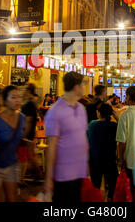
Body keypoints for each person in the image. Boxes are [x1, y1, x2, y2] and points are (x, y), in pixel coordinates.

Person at [44, 72, 88, 203]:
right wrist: (48, 178)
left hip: (79, 172)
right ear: (76, 87)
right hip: (63, 174)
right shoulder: (55, 111)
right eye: (83, 84)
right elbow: (51, 148)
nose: (84, 88)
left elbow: (82, 138)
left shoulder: (81, 108)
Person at [116, 85, 135, 201]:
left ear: (127, 97)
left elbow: (122, 142)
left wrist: (121, 159)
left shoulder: (125, 116)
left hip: (131, 159)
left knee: (133, 188)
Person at [88, 103, 118, 201]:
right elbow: (123, 128)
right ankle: (110, 198)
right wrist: (116, 115)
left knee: (95, 185)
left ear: (99, 113)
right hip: (110, 160)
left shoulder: (92, 125)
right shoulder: (114, 126)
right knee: (112, 184)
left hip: (95, 160)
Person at [20, 83, 42, 185]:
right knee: (29, 155)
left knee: (29, 155)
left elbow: (28, 121)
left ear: (28, 91)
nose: (23, 91)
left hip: (28, 134)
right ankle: (35, 174)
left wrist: (24, 134)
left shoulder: (29, 104)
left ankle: (38, 174)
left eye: (25, 90)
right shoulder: (32, 102)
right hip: (30, 133)